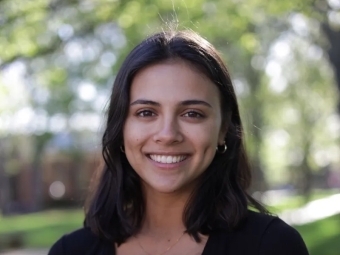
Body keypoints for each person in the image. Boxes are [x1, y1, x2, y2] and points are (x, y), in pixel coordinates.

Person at [48, 30, 309, 255]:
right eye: (146, 112)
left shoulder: (272, 246)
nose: (168, 134)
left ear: (223, 129)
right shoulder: (71, 251)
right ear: (120, 127)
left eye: (192, 114)